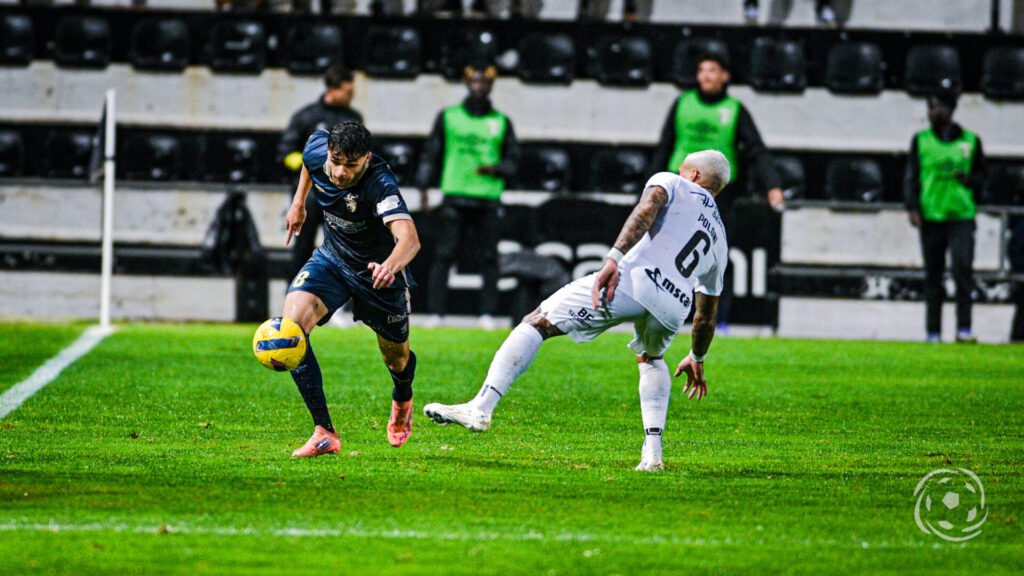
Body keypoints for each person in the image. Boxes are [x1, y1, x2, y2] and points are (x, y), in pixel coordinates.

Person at [424, 150, 731, 472]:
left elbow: (647, 208)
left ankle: (481, 407)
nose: (679, 172)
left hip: (635, 281)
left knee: (537, 322)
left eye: (684, 169)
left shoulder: (671, 182)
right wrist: (697, 357)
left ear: (694, 176)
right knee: (651, 359)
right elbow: (706, 313)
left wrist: (613, 258)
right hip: (674, 306)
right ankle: (653, 453)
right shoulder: (720, 238)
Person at [282, 121, 421, 457]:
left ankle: (402, 397)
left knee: (396, 359)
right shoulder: (319, 150)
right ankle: (323, 432)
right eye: (336, 161)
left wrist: (390, 265)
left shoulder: (380, 183)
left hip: (377, 275)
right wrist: (299, 202)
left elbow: (410, 238)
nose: (341, 173)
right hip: (331, 260)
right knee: (291, 330)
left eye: (351, 166)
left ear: (366, 159)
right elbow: (307, 159)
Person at [649, 53, 784, 332]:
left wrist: (773, 184)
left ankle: (718, 320)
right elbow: (664, 145)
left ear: (725, 76)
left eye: (713, 70)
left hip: (719, 194)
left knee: (716, 256)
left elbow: (757, 149)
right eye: (702, 70)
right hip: (679, 189)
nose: (707, 76)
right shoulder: (682, 104)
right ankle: (666, 312)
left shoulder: (734, 109)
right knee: (668, 250)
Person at [415, 64, 520, 328]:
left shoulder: (501, 121)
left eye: (484, 82)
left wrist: (497, 169)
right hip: (455, 194)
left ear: (491, 85)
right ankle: (436, 313)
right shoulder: (449, 117)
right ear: (467, 83)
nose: (479, 86)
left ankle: (487, 314)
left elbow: (514, 161)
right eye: (475, 81)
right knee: (444, 255)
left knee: (489, 258)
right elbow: (431, 153)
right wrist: (423, 187)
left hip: (487, 197)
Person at [904, 91, 987, 343]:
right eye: (930, 107)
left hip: (961, 214)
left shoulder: (971, 141)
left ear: (951, 109)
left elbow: (984, 178)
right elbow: (911, 176)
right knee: (933, 275)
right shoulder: (921, 140)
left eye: (938, 107)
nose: (933, 112)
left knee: (963, 271)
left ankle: (964, 328)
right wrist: (912, 207)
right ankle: (933, 331)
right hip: (931, 215)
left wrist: (970, 180)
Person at [278, 64, 364, 279]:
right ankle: (294, 296)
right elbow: (285, 152)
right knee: (303, 247)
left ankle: (339, 302)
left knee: (344, 248)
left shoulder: (354, 118)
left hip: (341, 194)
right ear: (332, 89)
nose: (351, 96)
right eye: (348, 92)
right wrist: (310, 165)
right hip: (310, 194)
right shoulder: (307, 117)